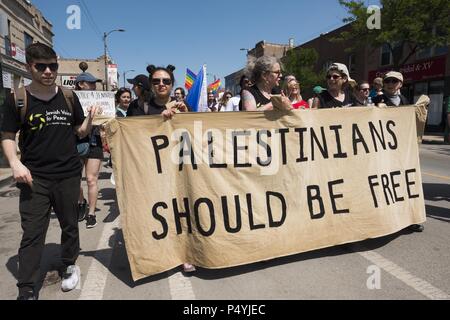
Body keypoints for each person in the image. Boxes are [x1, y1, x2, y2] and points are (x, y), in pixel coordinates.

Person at [0, 43, 98, 300]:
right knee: (33, 233)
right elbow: (8, 135)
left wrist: (89, 120)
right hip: (34, 178)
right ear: (28, 66)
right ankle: (27, 288)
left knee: (69, 225)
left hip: (67, 174)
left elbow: (79, 132)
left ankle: (69, 264)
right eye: (40, 66)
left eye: (52, 66)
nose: (47, 71)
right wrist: (15, 162)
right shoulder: (17, 98)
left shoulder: (67, 96)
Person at [372, 71, 423, 232]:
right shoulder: (376, 100)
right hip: (382, 151)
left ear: (400, 84)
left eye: (394, 81)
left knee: (405, 184)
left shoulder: (405, 101)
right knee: (385, 184)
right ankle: (385, 219)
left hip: (402, 152)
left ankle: (410, 219)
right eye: (388, 81)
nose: (390, 84)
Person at [74, 72, 104, 229]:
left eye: (94, 83)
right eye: (90, 83)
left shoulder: (100, 100)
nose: (94, 86)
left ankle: (91, 213)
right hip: (75, 143)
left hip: (94, 142)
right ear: (81, 84)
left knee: (91, 179)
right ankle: (81, 202)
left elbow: (105, 120)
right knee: (75, 179)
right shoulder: (71, 100)